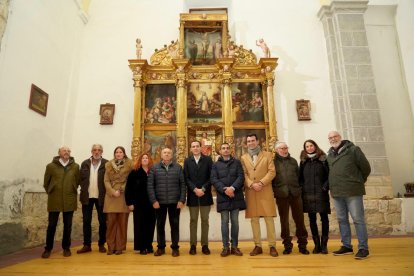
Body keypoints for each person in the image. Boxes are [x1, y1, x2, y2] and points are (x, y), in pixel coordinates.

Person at [327, 131, 371, 260]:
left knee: (358, 219)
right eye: (330, 138)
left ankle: (363, 248)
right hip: (337, 192)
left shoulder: (353, 150)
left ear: (340, 137)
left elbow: (366, 168)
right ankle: (346, 246)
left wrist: (357, 181)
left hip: (353, 191)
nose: (332, 139)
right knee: (342, 220)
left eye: (335, 136)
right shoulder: (329, 154)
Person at [241, 133, 278, 257]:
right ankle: (258, 246)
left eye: (253, 140)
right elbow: (244, 174)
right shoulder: (243, 157)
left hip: (265, 190)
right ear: (246, 143)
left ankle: (272, 246)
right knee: (254, 220)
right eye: (248, 141)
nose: (251, 143)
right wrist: (251, 184)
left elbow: (272, 171)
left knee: (269, 219)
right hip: (251, 191)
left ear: (257, 142)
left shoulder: (267, 155)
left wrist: (261, 183)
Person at [41, 146, 79, 258]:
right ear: (59, 153)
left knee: (68, 225)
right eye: (64, 151)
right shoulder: (50, 166)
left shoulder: (75, 167)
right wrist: (52, 191)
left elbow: (77, 181)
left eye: (68, 151)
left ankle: (66, 248)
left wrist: (71, 189)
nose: (66, 152)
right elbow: (46, 183)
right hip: (54, 199)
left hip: (69, 199)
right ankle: (48, 248)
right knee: (52, 225)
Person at [147, 147, 186, 257]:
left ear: (172, 155)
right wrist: (154, 200)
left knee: (175, 225)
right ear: (161, 155)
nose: (167, 154)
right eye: (165, 152)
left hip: (175, 202)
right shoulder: (154, 168)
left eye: (169, 152)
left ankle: (175, 248)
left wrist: (182, 200)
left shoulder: (178, 168)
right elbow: (150, 186)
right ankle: (161, 248)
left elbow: (183, 185)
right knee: (160, 225)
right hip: (159, 203)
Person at [273, 142, 309, 255]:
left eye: (286, 148)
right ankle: (287, 245)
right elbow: (271, 179)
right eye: (282, 148)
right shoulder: (272, 162)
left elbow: (299, 176)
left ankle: (302, 245)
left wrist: (299, 189)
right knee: (284, 221)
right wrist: (275, 191)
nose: (285, 150)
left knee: (299, 220)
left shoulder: (293, 161)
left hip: (295, 194)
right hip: (281, 195)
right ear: (276, 150)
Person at [211, 143, 246, 257]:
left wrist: (232, 188)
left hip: (235, 196)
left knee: (235, 222)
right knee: (224, 223)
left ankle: (235, 246)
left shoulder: (237, 162)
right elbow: (214, 179)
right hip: (223, 196)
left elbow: (241, 176)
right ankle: (225, 247)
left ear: (230, 150)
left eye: (227, 148)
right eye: (223, 148)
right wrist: (224, 189)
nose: (225, 150)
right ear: (220, 151)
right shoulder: (215, 165)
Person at [299, 140, 330, 254]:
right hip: (308, 194)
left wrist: (325, 187)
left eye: (311, 145)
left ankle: (324, 245)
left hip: (321, 193)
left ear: (315, 146)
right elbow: (300, 178)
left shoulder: (323, 159)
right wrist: (303, 188)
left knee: (324, 219)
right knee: (312, 220)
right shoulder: (303, 161)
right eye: (307, 146)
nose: (309, 148)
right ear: (305, 148)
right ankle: (317, 245)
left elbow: (329, 175)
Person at [77, 144, 108, 254]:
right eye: (95, 150)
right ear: (91, 151)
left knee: (103, 222)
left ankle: (101, 244)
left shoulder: (106, 164)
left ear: (102, 152)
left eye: (99, 150)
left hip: (101, 197)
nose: (96, 152)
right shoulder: (85, 163)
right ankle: (87, 245)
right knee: (86, 221)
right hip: (87, 197)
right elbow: (79, 178)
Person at [184, 141, 214, 255]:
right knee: (193, 220)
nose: (195, 148)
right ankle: (193, 245)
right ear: (190, 149)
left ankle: (205, 245)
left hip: (205, 195)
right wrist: (194, 189)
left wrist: (203, 189)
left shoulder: (208, 160)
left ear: (201, 148)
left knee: (205, 220)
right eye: (193, 147)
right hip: (193, 195)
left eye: (197, 146)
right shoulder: (187, 161)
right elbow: (186, 178)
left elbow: (212, 176)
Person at [103, 146, 133, 255]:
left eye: (120, 152)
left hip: (123, 196)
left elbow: (130, 180)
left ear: (124, 154)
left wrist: (120, 189)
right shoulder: (109, 165)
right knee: (111, 223)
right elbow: (106, 180)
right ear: (114, 154)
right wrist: (112, 191)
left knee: (122, 224)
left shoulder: (129, 165)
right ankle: (111, 247)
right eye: (117, 152)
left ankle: (120, 247)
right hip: (111, 197)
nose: (118, 154)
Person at [125, 153, 156, 255]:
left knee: (150, 225)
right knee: (140, 225)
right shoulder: (134, 172)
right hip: (138, 204)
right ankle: (141, 246)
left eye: (147, 158)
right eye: (143, 158)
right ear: (140, 160)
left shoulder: (153, 172)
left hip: (151, 204)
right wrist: (129, 203)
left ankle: (149, 245)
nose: (145, 159)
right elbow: (128, 189)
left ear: (150, 160)